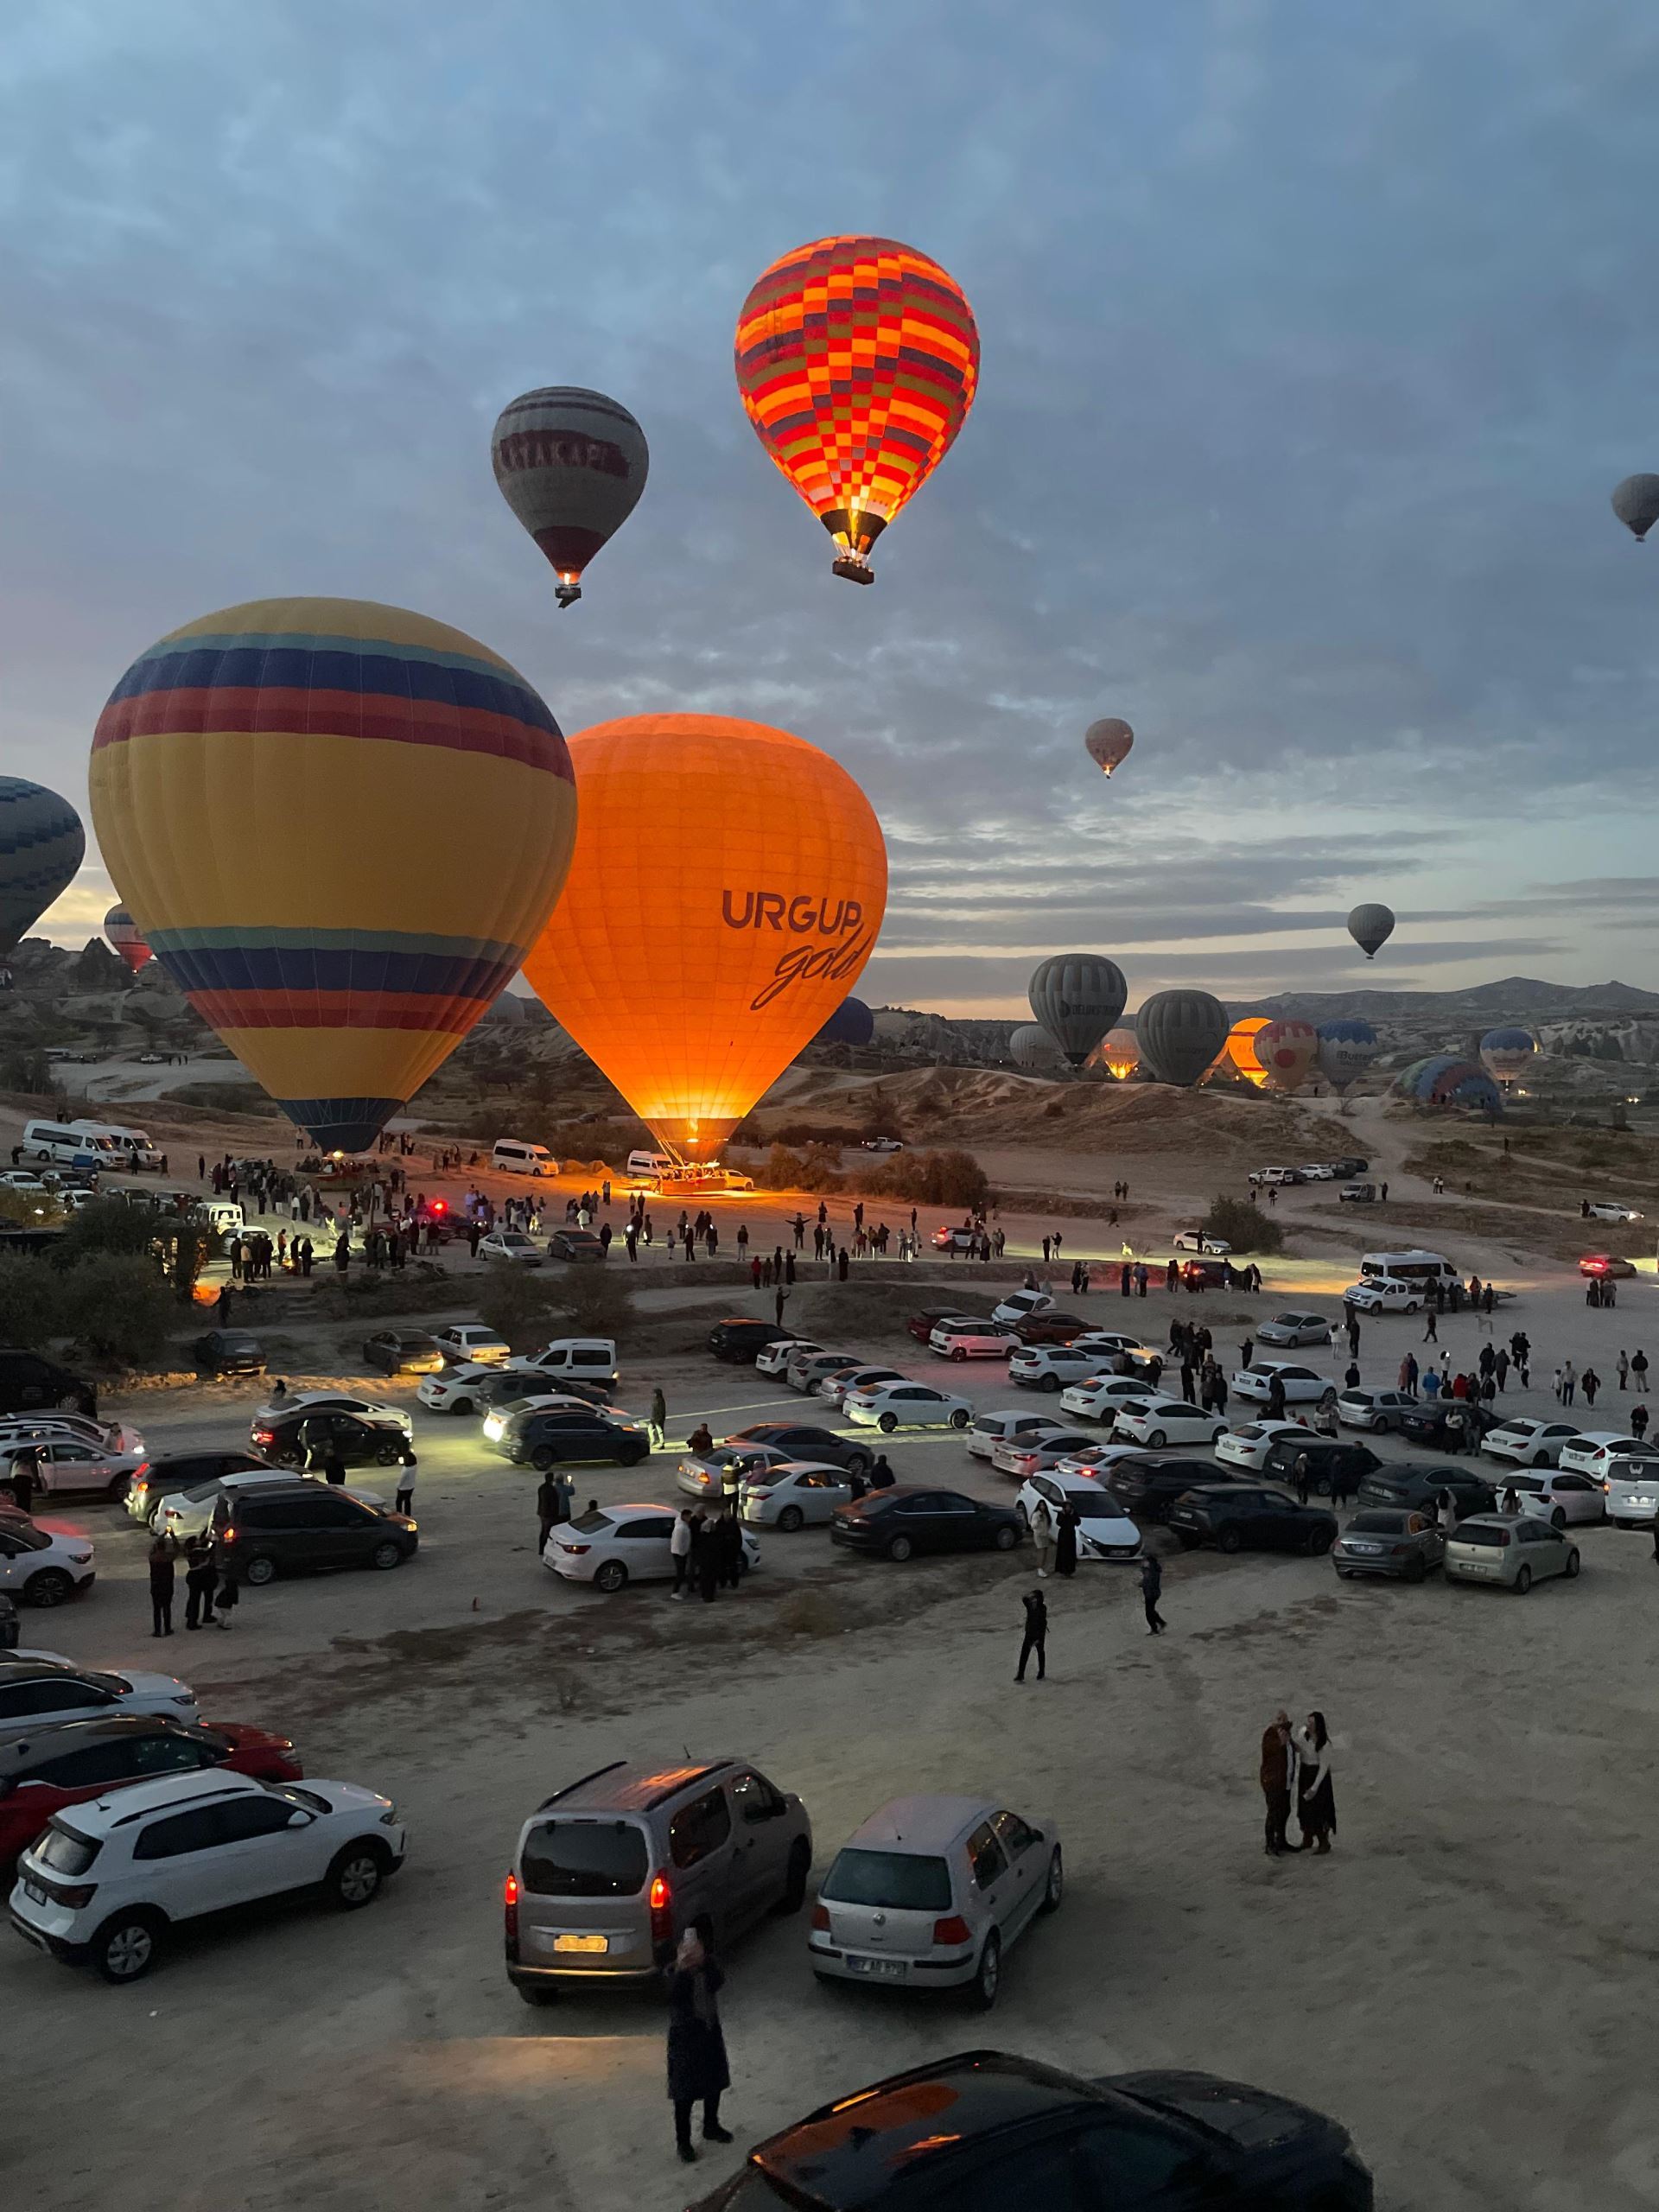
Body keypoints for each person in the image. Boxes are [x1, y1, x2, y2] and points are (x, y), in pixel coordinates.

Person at [666, 1919, 732, 2164]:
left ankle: (711, 2126)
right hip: (684, 2038)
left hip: (708, 2031)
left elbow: (718, 1982)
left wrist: (703, 1963)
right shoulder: (672, 1972)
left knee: (714, 2082)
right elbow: (673, 1996)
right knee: (683, 2094)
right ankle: (683, 2142)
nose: (692, 1952)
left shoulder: (709, 1967)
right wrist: (683, 1969)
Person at [1293, 1712, 1336, 1853]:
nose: (1308, 1726)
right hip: (1305, 1773)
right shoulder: (1303, 1733)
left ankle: (1324, 1841)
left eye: (1312, 1724)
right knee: (1305, 1807)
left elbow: (1324, 1768)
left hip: (1318, 1777)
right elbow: (1299, 1748)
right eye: (1308, 1722)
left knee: (1319, 1810)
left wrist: (1314, 1788)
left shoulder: (1324, 1744)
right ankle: (1307, 1837)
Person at [1260, 1709, 1293, 1857]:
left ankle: (1281, 1840)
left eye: (1284, 1719)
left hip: (1285, 1781)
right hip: (1274, 1782)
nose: (1282, 1721)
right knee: (1273, 1812)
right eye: (1279, 1719)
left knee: (1285, 1811)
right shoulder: (1271, 1733)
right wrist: (1281, 1742)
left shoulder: (1287, 1733)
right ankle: (1270, 1844)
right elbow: (1269, 1749)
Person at [183, 1533, 218, 1629]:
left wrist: (208, 1539)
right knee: (195, 1599)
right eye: (197, 1540)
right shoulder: (197, 1552)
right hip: (198, 1576)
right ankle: (192, 1621)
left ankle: (191, 1618)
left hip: (194, 1575)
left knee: (193, 1598)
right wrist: (213, 1541)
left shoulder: (190, 1551)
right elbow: (208, 1551)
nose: (199, 1541)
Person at [1015, 1586, 1047, 1681]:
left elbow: (1042, 1624)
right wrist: (1030, 1594)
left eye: (1035, 1598)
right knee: (1025, 1654)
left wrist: (1039, 1638)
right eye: (1033, 1598)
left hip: (1039, 1634)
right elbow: (1024, 1599)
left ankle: (1041, 1672)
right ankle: (1021, 1674)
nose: (1033, 1600)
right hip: (1029, 1634)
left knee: (1040, 1652)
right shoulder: (1031, 1606)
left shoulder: (1042, 1609)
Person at [148, 1533, 176, 1637]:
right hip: (167, 1585)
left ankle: (157, 1630)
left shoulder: (153, 1558)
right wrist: (172, 1536)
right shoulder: (168, 1558)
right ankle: (167, 1629)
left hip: (156, 1585)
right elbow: (176, 1549)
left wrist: (161, 1536)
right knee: (167, 1608)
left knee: (157, 1609)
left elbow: (151, 1550)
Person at [715, 1502, 745, 1591]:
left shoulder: (734, 1523)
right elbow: (717, 1537)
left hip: (732, 1550)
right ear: (723, 1513)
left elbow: (739, 1537)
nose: (728, 1514)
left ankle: (734, 1583)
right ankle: (722, 1583)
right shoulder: (719, 1523)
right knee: (722, 1568)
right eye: (726, 1512)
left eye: (729, 1512)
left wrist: (737, 1548)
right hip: (723, 1550)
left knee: (733, 1567)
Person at [670, 1508, 695, 1599]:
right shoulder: (681, 1528)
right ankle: (675, 1592)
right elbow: (678, 1542)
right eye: (689, 1516)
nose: (690, 1518)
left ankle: (678, 1591)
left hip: (680, 1553)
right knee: (680, 1573)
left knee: (681, 1572)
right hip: (679, 1554)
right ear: (684, 1516)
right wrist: (683, 1553)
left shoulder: (682, 1525)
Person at [8, 1446, 40, 1515]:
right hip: (26, 1478)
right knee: (26, 1496)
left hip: (17, 1478)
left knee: (19, 1496)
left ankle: (19, 1510)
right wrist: (36, 1480)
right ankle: (25, 1511)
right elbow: (34, 1471)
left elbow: (11, 1470)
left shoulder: (16, 1461)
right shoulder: (30, 1461)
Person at [1140, 1551, 1166, 1635]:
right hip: (1153, 1593)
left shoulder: (1150, 1571)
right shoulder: (1154, 1569)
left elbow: (1148, 1582)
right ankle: (1159, 1624)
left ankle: (1155, 1628)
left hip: (1150, 1594)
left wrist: (1142, 1584)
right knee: (1151, 1610)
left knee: (1149, 1612)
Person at [1031, 1497, 1055, 1577]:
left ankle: (1042, 1567)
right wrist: (1038, 1520)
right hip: (1039, 1535)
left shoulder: (1046, 1515)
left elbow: (1048, 1524)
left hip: (1045, 1535)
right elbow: (1033, 1525)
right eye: (1041, 1505)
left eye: (1043, 1505)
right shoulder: (1036, 1514)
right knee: (1041, 1551)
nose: (1042, 1507)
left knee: (1045, 1551)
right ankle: (1039, 1568)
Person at [1054, 1501, 1079, 1578]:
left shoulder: (1074, 1513)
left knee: (1070, 1553)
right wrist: (1063, 1515)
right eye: (1066, 1506)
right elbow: (1059, 1522)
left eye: (1069, 1506)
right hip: (1063, 1535)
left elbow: (1078, 1523)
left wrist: (1073, 1516)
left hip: (1071, 1535)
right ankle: (1063, 1570)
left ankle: (1070, 1571)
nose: (1067, 1508)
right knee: (1063, 1553)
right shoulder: (1061, 1513)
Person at [393, 1441, 416, 1517]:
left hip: (403, 1488)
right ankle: (407, 1515)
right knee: (407, 1501)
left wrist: (398, 1486)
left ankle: (399, 1514)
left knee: (399, 1502)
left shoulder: (406, 1470)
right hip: (411, 1486)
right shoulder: (414, 1466)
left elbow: (402, 1480)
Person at [650, 1386, 667, 1451]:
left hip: (658, 1419)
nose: (653, 1394)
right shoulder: (656, 1400)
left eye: (654, 1393)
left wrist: (659, 1419)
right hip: (654, 1418)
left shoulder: (660, 1401)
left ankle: (662, 1444)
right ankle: (652, 1441)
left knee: (660, 1432)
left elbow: (661, 1411)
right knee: (650, 1429)